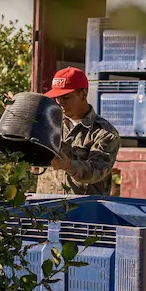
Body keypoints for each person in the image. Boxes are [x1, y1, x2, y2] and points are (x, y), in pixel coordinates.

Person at [34, 67, 120, 196]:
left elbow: (97, 170)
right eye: (57, 97)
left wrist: (69, 165)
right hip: (47, 207)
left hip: (84, 210)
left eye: (66, 97)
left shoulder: (105, 133)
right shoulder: (50, 124)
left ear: (83, 94)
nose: (60, 102)